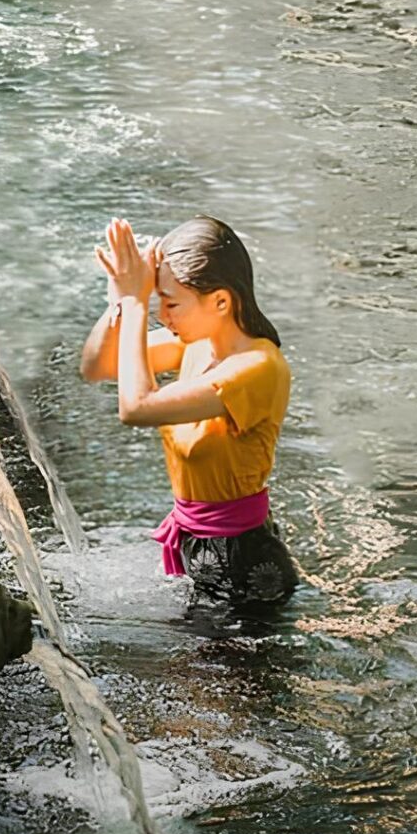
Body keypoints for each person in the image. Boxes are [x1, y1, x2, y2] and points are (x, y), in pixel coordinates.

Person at [79, 214, 298, 616]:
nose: (163, 314)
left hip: (243, 565)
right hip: (197, 547)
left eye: (171, 302)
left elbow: (135, 407)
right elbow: (98, 365)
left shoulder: (257, 368)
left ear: (220, 301)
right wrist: (119, 301)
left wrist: (135, 302)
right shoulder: (198, 344)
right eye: (158, 300)